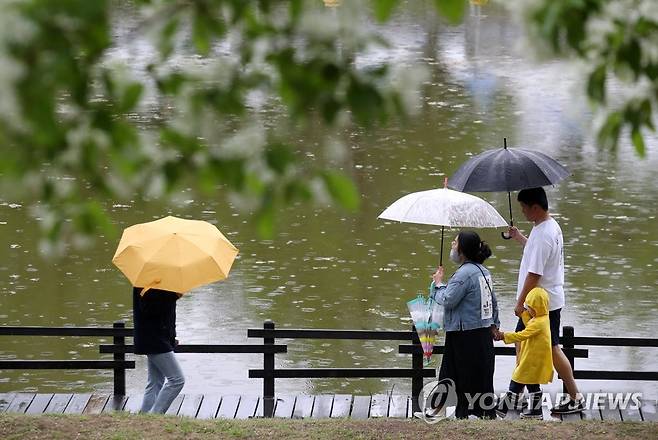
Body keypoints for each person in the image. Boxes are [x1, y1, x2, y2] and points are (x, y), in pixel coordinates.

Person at [508, 187, 583, 414]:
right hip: (544, 301)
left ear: (536, 207)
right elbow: (537, 250)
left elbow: (535, 274)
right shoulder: (548, 226)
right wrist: (520, 237)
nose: (522, 211)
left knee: (547, 349)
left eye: (524, 207)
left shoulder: (544, 235)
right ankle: (520, 395)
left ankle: (572, 396)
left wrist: (519, 303)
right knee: (526, 345)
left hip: (540, 305)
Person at [429, 231, 500, 419]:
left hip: (464, 334)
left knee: (459, 376)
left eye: (455, 242)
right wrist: (494, 324)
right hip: (481, 333)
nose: (452, 244)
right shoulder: (483, 271)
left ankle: (455, 413)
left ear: (462, 250)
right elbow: (493, 301)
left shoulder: (464, 273)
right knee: (478, 376)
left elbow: (448, 299)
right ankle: (478, 413)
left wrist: (437, 284)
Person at [495, 287, 553, 419]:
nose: (527, 309)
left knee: (517, 380)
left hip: (532, 359)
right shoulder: (543, 317)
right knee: (532, 385)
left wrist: (503, 335)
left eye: (529, 307)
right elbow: (529, 321)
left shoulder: (539, 323)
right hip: (533, 359)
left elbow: (522, 335)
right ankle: (536, 412)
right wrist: (523, 313)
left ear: (537, 307)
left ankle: (501, 409)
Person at [133, 287, 185, 414]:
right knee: (177, 380)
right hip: (154, 340)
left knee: (156, 381)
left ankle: (144, 418)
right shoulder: (147, 283)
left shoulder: (160, 282)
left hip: (158, 339)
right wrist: (173, 295)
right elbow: (149, 309)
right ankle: (155, 416)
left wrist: (171, 338)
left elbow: (164, 317)